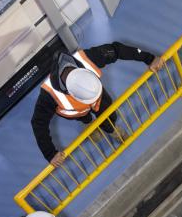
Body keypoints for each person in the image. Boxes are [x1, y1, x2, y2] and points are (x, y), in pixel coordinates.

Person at [31, 41, 165, 167]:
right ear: (71, 93)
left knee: (108, 114)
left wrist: (150, 58)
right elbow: (38, 123)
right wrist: (50, 154)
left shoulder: (88, 58)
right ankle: (89, 123)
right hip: (76, 112)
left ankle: (112, 130)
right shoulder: (48, 95)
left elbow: (117, 50)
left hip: (100, 97)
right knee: (84, 117)